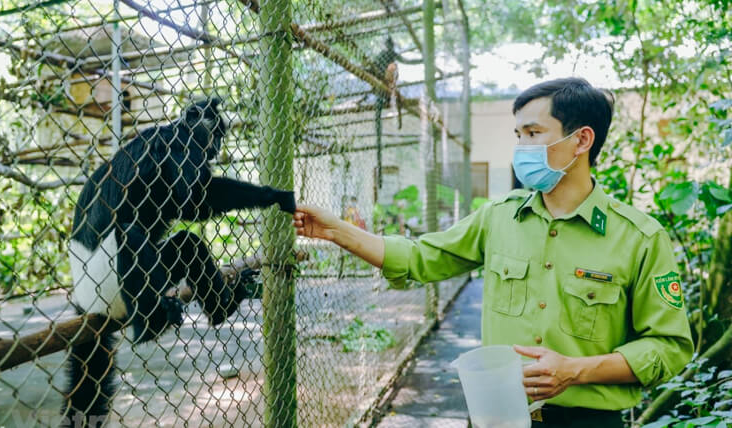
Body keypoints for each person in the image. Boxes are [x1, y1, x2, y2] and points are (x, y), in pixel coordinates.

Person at [292, 78, 693, 427]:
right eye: (518, 135)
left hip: (586, 420)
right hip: (497, 414)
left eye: (534, 133)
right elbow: (418, 258)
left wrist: (576, 371)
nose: (521, 147)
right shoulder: (498, 218)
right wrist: (334, 231)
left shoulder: (639, 238)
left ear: (581, 141)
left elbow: (669, 346)